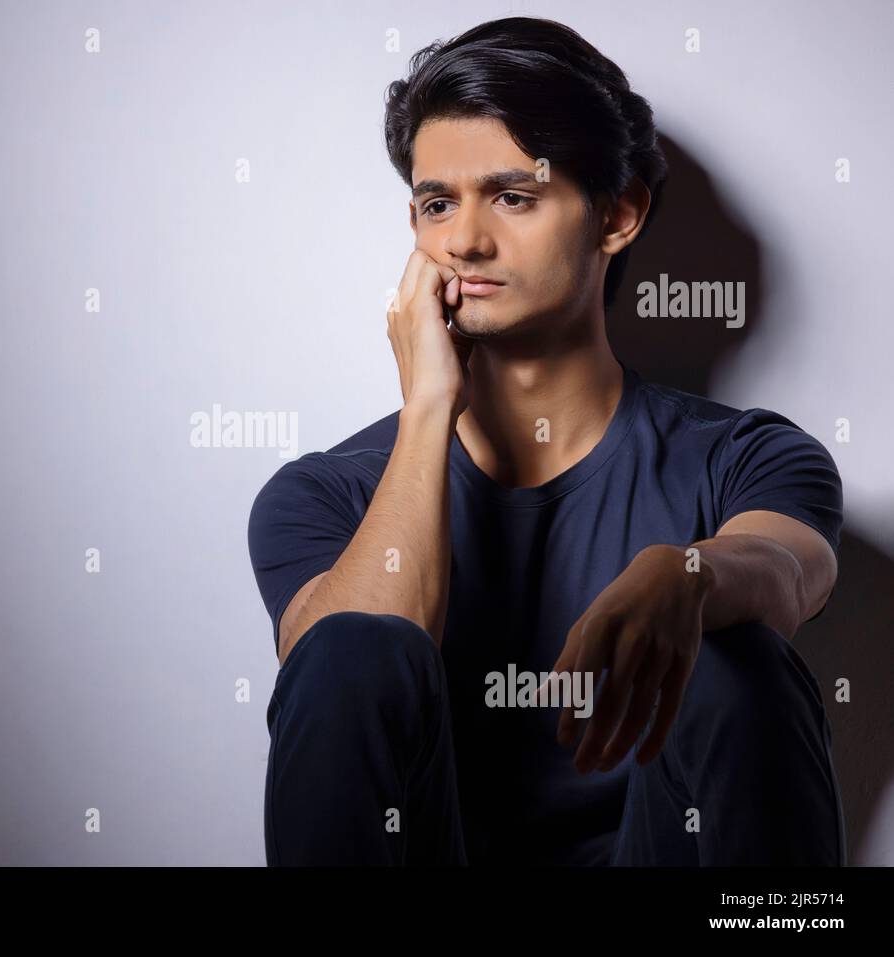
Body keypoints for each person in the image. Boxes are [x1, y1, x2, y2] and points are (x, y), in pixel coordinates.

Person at [247, 16, 845, 866]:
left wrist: (687, 572)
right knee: (347, 644)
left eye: (514, 196)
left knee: (733, 649)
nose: (465, 240)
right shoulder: (324, 493)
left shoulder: (742, 455)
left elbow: (790, 573)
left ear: (618, 213)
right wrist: (428, 409)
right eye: (437, 203)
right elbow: (348, 684)